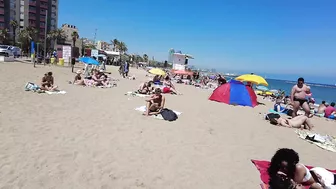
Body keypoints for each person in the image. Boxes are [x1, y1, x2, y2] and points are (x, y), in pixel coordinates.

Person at [268, 148, 336, 189]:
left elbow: (293, 185)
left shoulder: (298, 168)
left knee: (315, 186)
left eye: (285, 167)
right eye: (281, 166)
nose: (283, 169)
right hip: (317, 174)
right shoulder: (281, 169)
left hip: (325, 178)